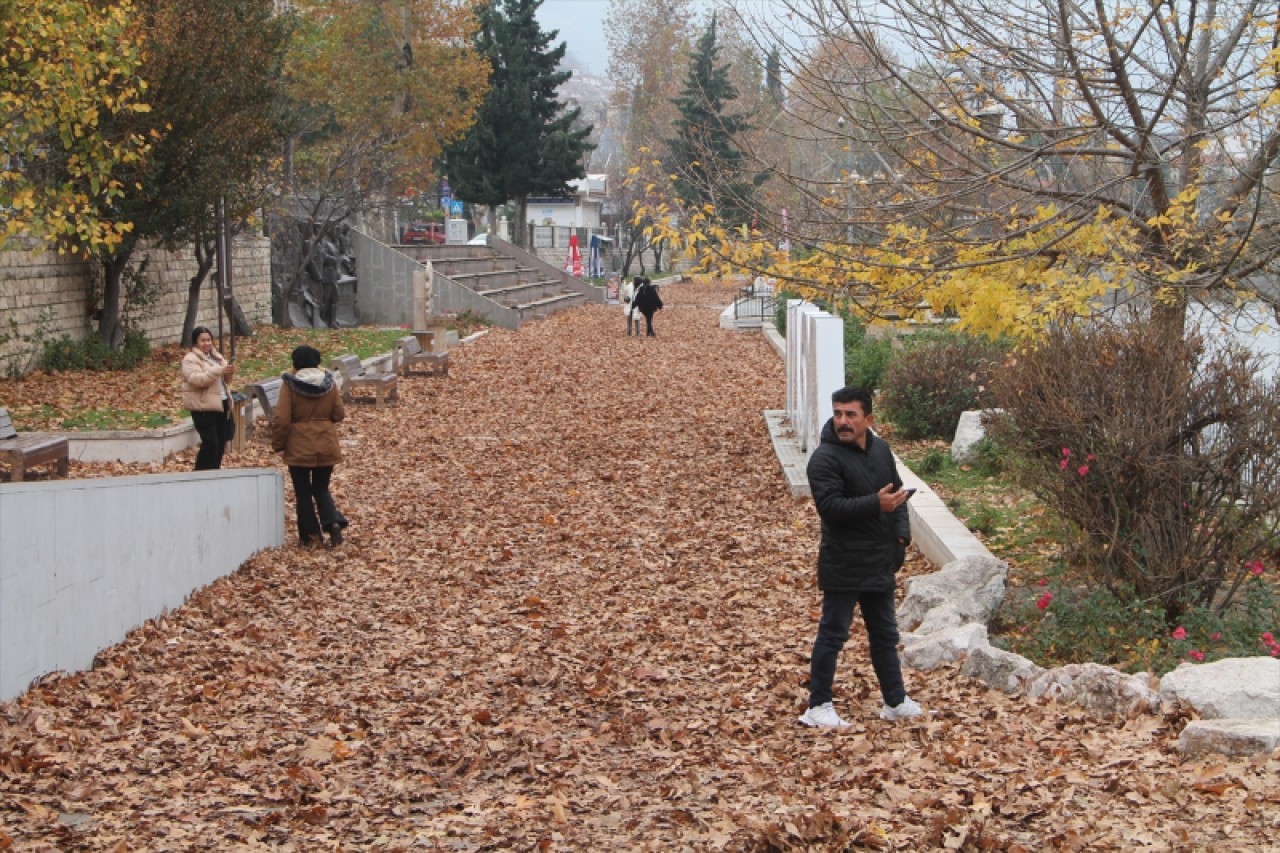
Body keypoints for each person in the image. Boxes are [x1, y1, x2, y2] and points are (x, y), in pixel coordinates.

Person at [799, 386, 923, 727]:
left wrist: (901, 538)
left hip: (880, 560)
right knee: (833, 633)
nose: (843, 421)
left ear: (868, 419)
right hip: (843, 561)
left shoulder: (881, 450)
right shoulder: (824, 458)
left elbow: (898, 495)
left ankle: (895, 701)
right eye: (838, 413)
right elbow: (830, 508)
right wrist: (874, 504)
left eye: (850, 414)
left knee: (885, 634)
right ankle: (818, 706)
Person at [272, 345, 348, 547]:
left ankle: (311, 535)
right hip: (326, 443)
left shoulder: (290, 385)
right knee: (321, 487)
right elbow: (339, 414)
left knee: (303, 491)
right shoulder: (329, 383)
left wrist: (278, 444)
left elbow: (281, 418)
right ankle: (332, 522)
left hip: (299, 446)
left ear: (295, 364)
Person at [181, 326, 236, 471]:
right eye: (202, 340)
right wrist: (219, 370)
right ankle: (201, 473)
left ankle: (214, 471)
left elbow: (226, 381)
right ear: (195, 342)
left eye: (209, 340)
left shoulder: (216, 356)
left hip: (221, 404)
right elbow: (198, 380)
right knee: (211, 442)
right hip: (203, 407)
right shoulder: (190, 359)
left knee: (221, 441)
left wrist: (229, 372)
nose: (206, 343)